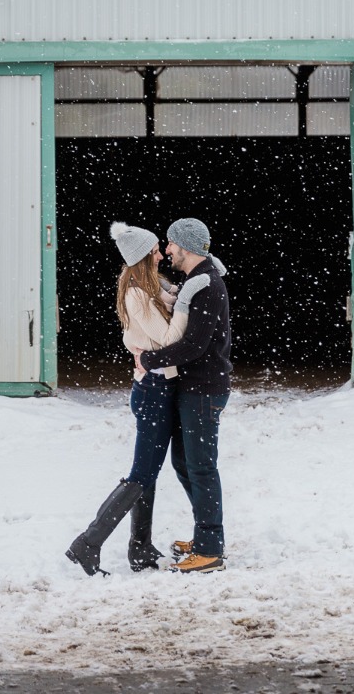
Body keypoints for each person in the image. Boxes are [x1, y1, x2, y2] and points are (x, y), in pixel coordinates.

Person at [64, 222, 209, 576]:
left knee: (149, 473)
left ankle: (140, 548)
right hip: (153, 392)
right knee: (141, 473)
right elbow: (167, 342)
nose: (163, 254)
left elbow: (169, 309)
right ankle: (88, 542)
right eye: (156, 250)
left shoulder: (151, 287)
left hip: (159, 388)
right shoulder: (137, 294)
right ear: (145, 256)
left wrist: (182, 293)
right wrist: (187, 304)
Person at [131, 217, 232, 574]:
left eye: (171, 244)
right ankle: (207, 536)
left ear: (185, 246)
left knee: (201, 468)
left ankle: (210, 548)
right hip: (193, 389)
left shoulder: (206, 285)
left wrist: (148, 358)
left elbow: (193, 345)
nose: (167, 250)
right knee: (185, 465)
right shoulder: (196, 279)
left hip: (204, 391)